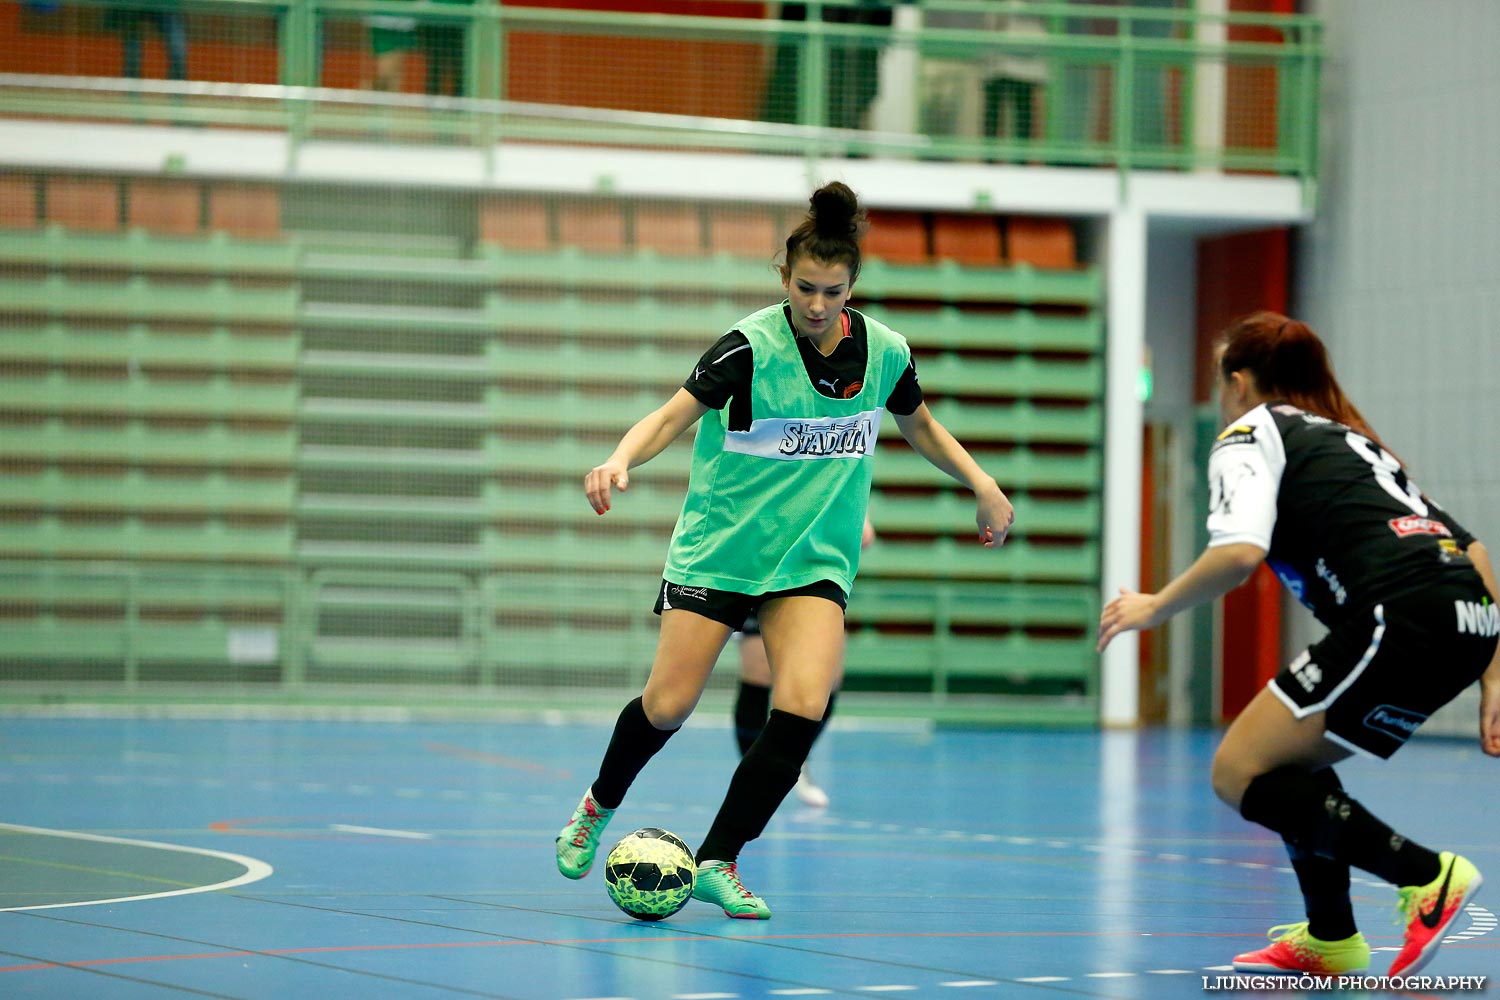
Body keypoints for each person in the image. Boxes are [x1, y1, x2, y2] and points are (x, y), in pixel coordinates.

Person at [558, 182, 1015, 919]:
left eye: (832, 291)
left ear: (851, 286)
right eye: (804, 288)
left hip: (811, 563)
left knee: (803, 704)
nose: (816, 304)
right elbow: (671, 416)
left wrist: (982, 483)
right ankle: (595, 806)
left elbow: (921, 427)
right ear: (784, 279)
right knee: (668, 705)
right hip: (721, 555)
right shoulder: (748, 347)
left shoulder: (886, 354)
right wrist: (620, 460)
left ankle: (718, 859)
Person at [1097, 312, 1500, 977]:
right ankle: (1332, 938)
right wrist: (1491, 677)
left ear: (1239, 380)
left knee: (1237, 771)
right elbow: (1476, 552)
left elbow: (1239, 552)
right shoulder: (1347, 438)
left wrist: (1154, 606)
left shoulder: (1252, 431)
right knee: (1290, 764)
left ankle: (1426, 876)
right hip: (1464, 620)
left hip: (1400, 613)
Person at [732, 515, 874, 809]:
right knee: (758, 676)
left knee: (828, 680)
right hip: (764, 575)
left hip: (817, 576)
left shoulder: (841, 470)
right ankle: (754, 776)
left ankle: (793, 759)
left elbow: (865, 534)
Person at [106, 2, 188, 82]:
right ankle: (131, 89)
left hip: (166, 5)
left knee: (177, 47)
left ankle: (177, 91)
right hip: (132, 5)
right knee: (132, 48)